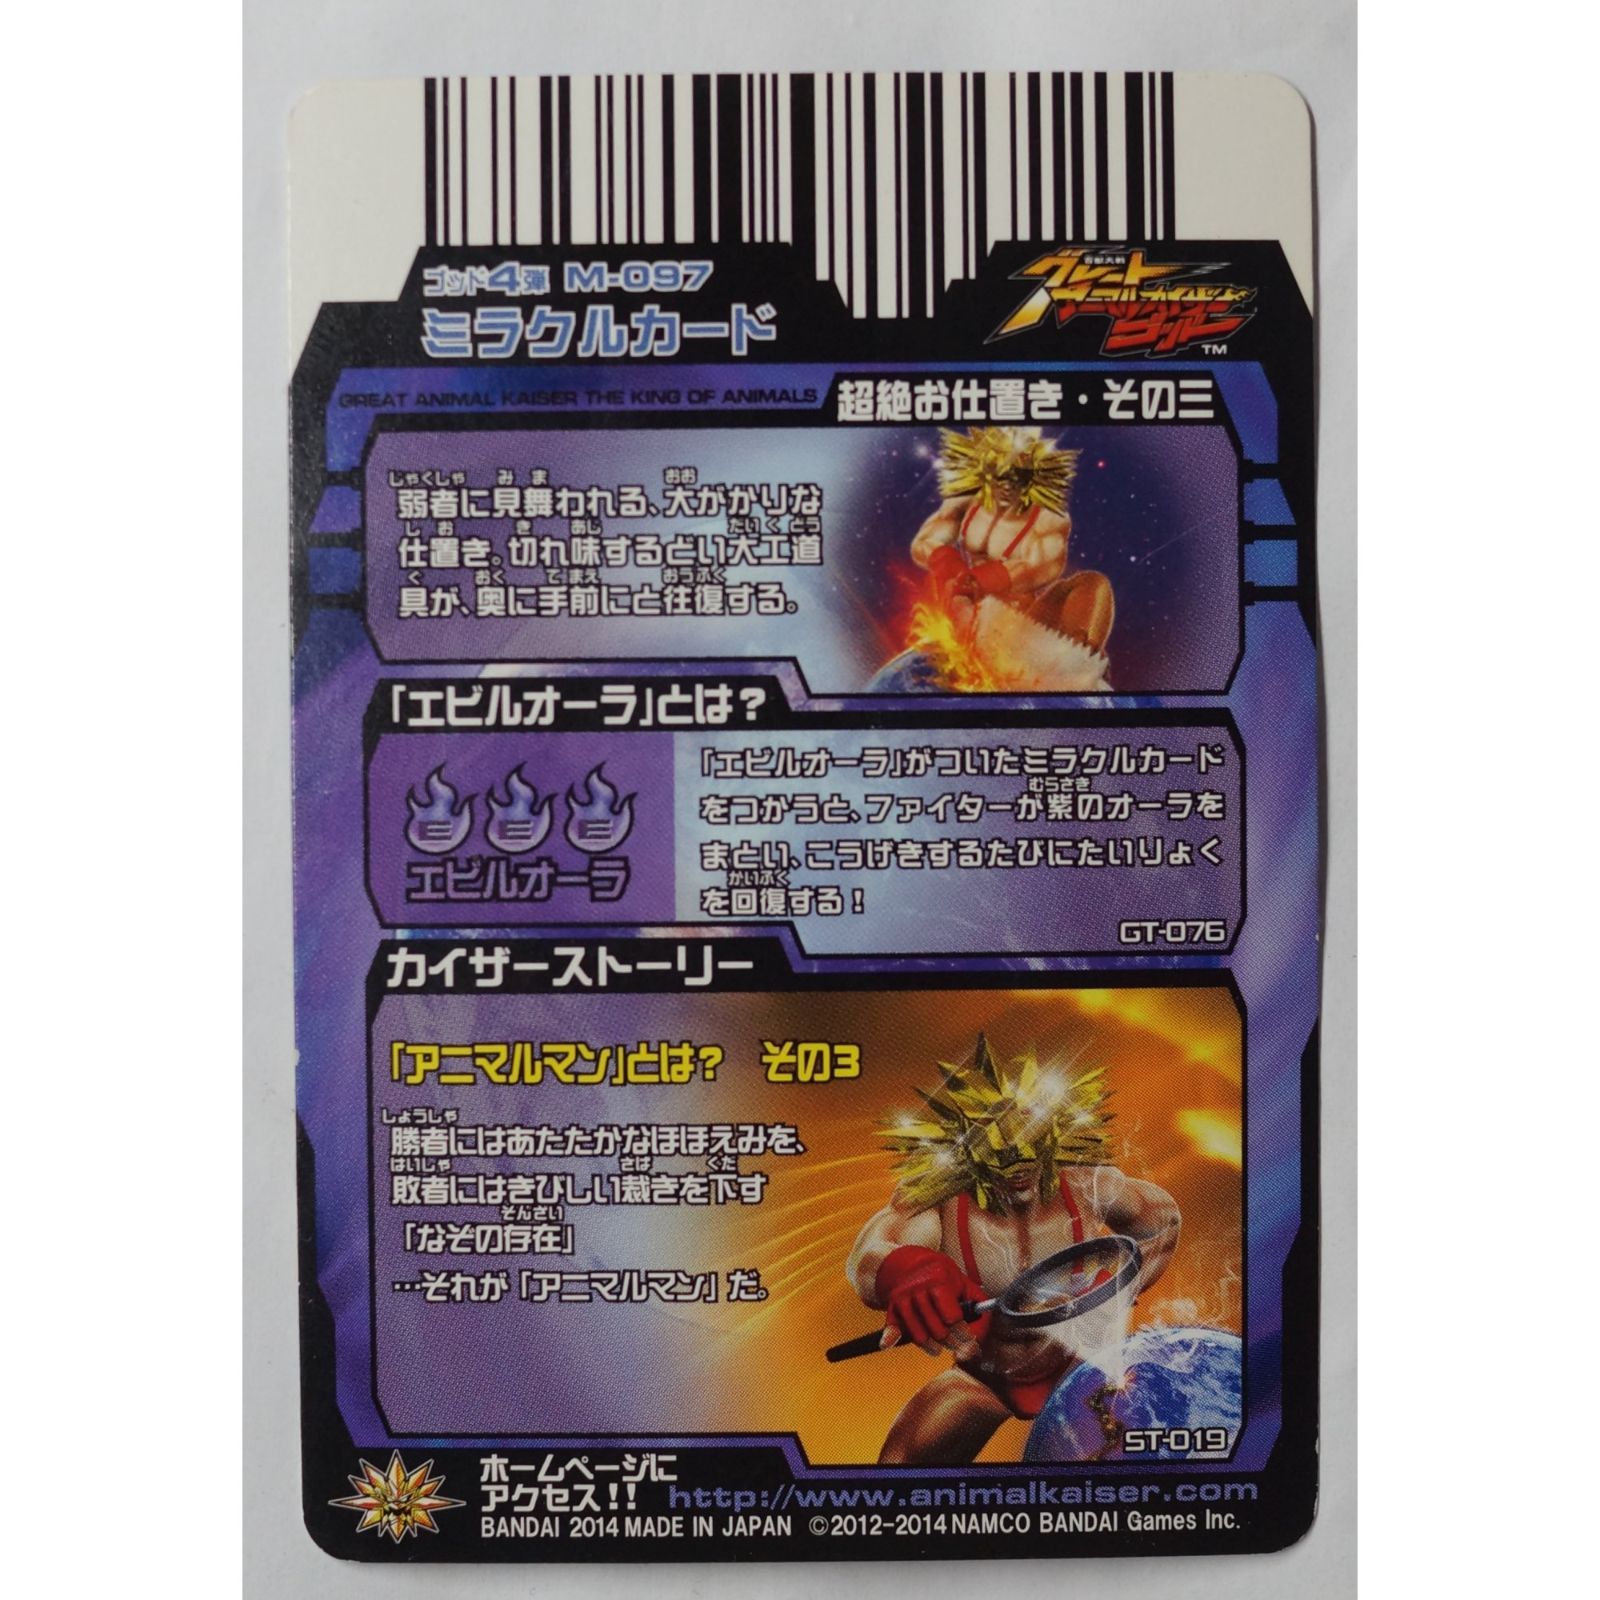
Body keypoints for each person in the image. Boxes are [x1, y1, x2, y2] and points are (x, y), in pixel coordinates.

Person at [845, 1034, 1179, 1463]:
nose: (1017, 1174)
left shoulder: (1087, 1183)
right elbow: (868, 1258)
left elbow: (1164, 1222)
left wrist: (1118, 1291)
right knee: (899, 1467)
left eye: (1028, 1157)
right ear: (971, 1154)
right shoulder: (941, 1204)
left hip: (1083, 1364)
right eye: (1000, 1159)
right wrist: (905, 1269)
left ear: (1050, 1141)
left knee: (1150, 1452)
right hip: (986, 1377)